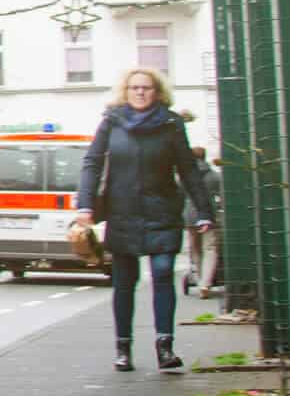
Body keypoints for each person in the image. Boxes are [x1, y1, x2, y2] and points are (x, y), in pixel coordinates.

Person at [73, 68, 216, 373]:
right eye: (135, 88)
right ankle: (123, 348)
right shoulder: (111, 123)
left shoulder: (171, 124)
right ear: (126, 91)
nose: (140, 93)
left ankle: (165, 346)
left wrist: (204, 210)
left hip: (162, 211)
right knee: (124, 282)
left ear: (157, 92)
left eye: (147, 88)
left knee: (163, 273)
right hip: (122, 212)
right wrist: (84, 205)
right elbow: (92, 162)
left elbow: (188, 170)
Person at [180, 146, 224, 299]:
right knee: (210, 249)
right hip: (209, 215)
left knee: (195, 250)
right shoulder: (214, 176)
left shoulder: (184, 177)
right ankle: (206, 284)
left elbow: (179, 195)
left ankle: (199, 281)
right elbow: (222, 197)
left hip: (189, 216)